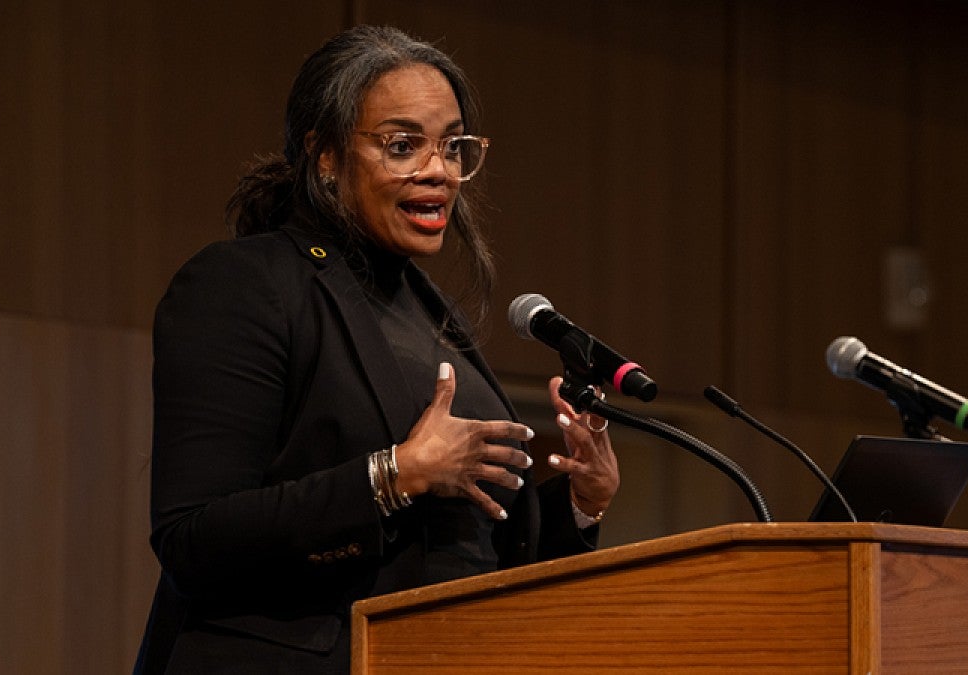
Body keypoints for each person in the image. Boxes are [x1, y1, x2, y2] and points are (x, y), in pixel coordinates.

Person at [133, 25, 619, 674]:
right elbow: (194, 537)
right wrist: (395, 473)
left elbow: (473, 547)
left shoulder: (426, 309)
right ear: (325, 157)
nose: (439, 171)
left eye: (453, 146)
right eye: (401, 145)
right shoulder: (245, 284)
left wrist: (580, 502)